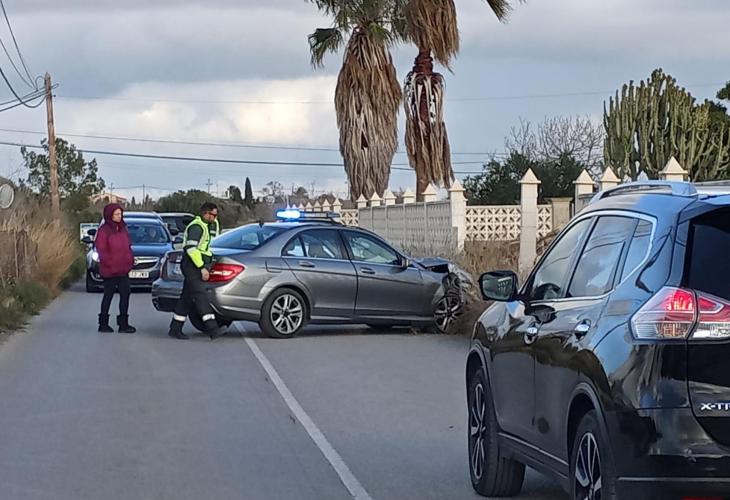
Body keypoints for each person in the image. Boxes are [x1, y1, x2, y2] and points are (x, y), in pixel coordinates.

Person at [167, 202, 226, 340]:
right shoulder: (196, 227)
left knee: (186, 298)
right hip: (192, 265)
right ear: (205, 213)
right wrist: (201, 268)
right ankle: (213, 328)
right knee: (200, 295)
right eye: (213, 215)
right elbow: (191, 249)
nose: (215, 218)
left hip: (196, 264)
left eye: (216, 215)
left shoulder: (207, 225)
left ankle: (175, 328)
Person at [95, 203, 136, 334]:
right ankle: (103, 323)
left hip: (123, 269)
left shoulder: (123, 229)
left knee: (125, 294)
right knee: (108, 295)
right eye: (117, 214)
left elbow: (127, 247)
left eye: (120, 214)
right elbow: (101, 249)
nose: (120, 216)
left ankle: (123, 324)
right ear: (110, 215)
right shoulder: (104, 231)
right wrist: (110, 263)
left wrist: (130, 260)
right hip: (110, 270)